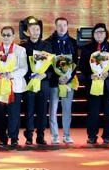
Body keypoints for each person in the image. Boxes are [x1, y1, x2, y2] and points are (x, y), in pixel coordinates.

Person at [79, 23, 109, 145]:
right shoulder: (86, 49)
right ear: (93, 34)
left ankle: (107, 136)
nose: (99, 34)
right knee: (93, 112)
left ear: (106, 34)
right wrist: (89, 76)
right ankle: (92, 136)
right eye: (97, 32)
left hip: (108, 85)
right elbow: (82, 67)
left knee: (108, 112)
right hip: (93, 84)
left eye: (102, 32)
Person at [0, 25, 28, 148]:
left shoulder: (20, 50)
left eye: (9, 35)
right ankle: (2, 137)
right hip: (0, 85)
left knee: (14, 113)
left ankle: (13, 137)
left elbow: (24, 68)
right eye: (4, 35)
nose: (6, 37)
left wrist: (11, 74)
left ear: (13, 36)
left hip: (15, 85)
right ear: (1, 36)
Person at [46, 17, 78, 145]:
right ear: (55, 26)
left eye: (64, 25)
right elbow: (47, 64)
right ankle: (54, 135)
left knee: (67, 109)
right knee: (53, 109)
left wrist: (68, 77)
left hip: (69, 81)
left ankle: (67, 134)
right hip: (54, 81)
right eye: (59, 25)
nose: (62, 28)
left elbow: (76, 62)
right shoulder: (48, 42)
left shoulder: (73, 42)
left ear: (67, 26)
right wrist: (57, 77)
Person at [22, 18, 53, 146]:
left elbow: (52, 67)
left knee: (42, 111)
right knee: (29, 111)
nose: (36, 32)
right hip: (29, 83)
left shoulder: (47, 46)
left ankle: (40, 135)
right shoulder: (23, 47)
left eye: (38, 29)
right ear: (28, 32)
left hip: (43, 83)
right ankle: (29, 136)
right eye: (33, 29)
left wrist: (44, 75)